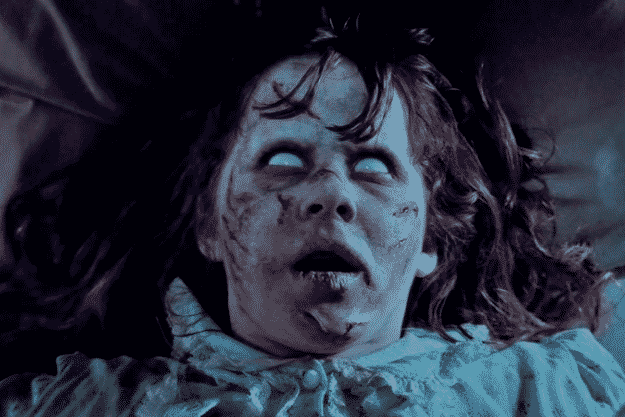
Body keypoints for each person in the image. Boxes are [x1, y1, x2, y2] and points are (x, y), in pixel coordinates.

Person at [1, 5, 625, 416]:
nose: (332, 193)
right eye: (282, 159)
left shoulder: (547, 389)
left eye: (373, 166)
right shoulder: (85, 404)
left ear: (431, 239)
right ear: (208, 224)